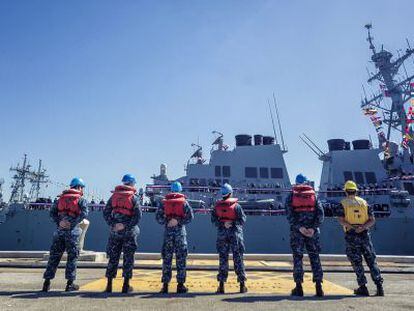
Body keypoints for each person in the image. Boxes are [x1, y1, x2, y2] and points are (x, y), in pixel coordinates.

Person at [337, 180, 384, 296]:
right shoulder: (364, 203)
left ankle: (363, 287)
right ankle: (379, 287)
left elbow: (341, 220)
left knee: (357, 262)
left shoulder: (343, 203)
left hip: (351, 235)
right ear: (356, 191)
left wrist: (353, 227)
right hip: (364, 235)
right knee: (371, 261)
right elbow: (372, 219)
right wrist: (362, 227)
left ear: (346, 191)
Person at [42, 177, 88, 292]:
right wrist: (71, 223)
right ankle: (70, 284)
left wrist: (60, 222)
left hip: (59, 232)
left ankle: (46, 283)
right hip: (72, 233)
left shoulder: (60, 199)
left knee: (54, 257)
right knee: (72, 258)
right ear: (80, 187)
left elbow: (52, 212)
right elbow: (84, 214)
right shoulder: (81, 200)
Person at [103, 174, 142, 293]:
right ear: (132, 184)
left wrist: (114, 225)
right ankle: (126, 285)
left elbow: (106, 212)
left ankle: (109, 285)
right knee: (128, 258)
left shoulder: (114, 196)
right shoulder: (134, 198)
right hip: (129, 233)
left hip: (115, 233)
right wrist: (126, 225)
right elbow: (138, 216)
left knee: (113, 258)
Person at [287, 174, 324, 297]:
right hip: (312, 232)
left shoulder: (291, 195)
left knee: (298, 258)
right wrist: (313, 228)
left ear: (296, 183)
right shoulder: (314, 195)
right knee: (315, 257)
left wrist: (300, 228)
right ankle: (319, 287)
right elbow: (320, 214)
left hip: (297, 232)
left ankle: (299, 287)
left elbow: (289, 215)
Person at [156, 181, 194, 294]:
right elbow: (190, 217)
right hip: (180, 235)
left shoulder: (164, 203)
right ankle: (180, 285)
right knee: (181, 259)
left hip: (168, 234)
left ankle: (165, 286)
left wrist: (168, 222)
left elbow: (158, 217)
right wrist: (178, 221)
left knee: (167, 259)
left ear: (170, 190)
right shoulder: (184, 203)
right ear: (180, 190)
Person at [211, 183, 247, 294]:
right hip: (235, 234)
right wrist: (232, 223)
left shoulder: (217, 206)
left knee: (223, 259)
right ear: (230, 193)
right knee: (238, 259)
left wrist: (223, 224)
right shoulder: (236, 206)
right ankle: (242, 286)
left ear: (222, 194)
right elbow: (242, 220)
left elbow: (213, 220)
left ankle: (221, 286)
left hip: (222, 235)